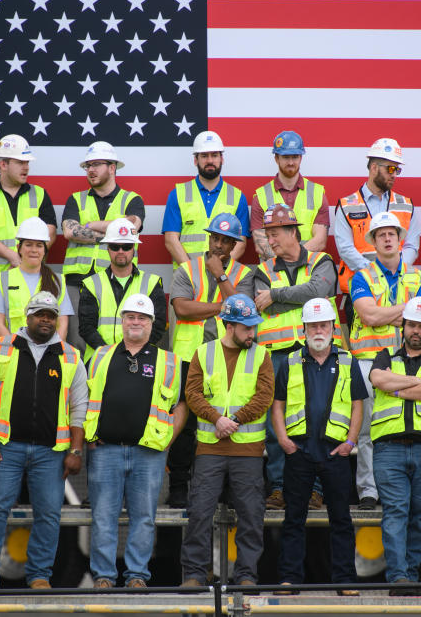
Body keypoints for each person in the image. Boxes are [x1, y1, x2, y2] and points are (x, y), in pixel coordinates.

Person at [0, 291, 88, 590]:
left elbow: (80, 409)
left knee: (48, 513)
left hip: (51, 453)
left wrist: (75, 449)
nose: (46, 320)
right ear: (28, 317)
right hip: (4, 448)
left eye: (51, 315)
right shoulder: (0, 349)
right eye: (40, 315)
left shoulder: (71, 356)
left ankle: (39, 576)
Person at [84, 294, 186, 588]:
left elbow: (181, 405)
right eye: (130, 317)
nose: (136, 322)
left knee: (144, 518)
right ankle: (103, 576)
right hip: (105, 451)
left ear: (152, 324)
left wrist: (169, 437)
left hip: (148, 454)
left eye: (142, 318)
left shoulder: (168, 361)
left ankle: (137, 576)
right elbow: (81, 398)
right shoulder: (100, 356)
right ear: (122, 321)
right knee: (103, 517)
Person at [270, 298, 364, 595]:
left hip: (335, 453)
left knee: (341, 520)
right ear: (304, 328)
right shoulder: (291, 361)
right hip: (299, 452)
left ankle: (346, 581)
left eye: (324, 324)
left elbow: (358, 404)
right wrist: (283, 439)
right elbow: (278, 403)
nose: (319, 330)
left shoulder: (348, 361)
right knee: (293, 519)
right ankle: (289, 579)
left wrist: (351, 441)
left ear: (333, 328)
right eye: (313, 325)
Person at [180, 294, 273, 587]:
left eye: (254, 327)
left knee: (251, 517)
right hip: (210, 448)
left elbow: (265, 396)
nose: (252, 333)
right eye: (247, 328)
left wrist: (234, 421)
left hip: (248, 451)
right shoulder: (203, 353)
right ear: (229, 326)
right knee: (200, 514)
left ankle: (246, 576)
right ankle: (195, 575)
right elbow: (192, 393)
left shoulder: (262, 355)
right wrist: (216, 419)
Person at [253, 204, 339, 510]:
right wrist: (300, 296)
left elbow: (318, 291)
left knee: (315, 421)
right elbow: (263, 306)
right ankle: (278, 486)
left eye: (275, 234)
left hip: (316, 354)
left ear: (293, 232)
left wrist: (277, 295)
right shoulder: (262, 270)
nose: (270, 241)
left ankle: (314, 489)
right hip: (274, 357)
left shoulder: (322, 260)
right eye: (268, 234)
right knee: (275, 427)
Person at [169, 213, 253, 507]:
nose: (219, 245)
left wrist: (220, 275)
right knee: (185, 424)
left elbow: (241, 311)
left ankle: (225, 490)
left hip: (226, 357)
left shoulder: (244, 273)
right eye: (215, 238)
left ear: (234, 245)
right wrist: (222, 306)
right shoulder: (187, 269)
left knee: (225, 421)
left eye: (226, 241)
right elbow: (182, 309)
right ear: (208, 238)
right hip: (188, 357)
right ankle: (179, 487)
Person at [368, 296, 421, 596]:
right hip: (389, 448)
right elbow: (379, 380)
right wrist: (416, 383)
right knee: (395, 511)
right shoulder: (384, 356)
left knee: (420, 514)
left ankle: (411, 578)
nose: (416, 331)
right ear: (403, 326)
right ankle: (399, 578)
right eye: (412, 324)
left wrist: (399, 387)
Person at [348, 212, 421, 510]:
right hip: (369, 362)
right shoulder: (362, 276)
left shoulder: (419, 276)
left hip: (408, 362)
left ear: (400, 240)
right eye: (380, 234)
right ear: (372, 241)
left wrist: (394, 313)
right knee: (369, 430)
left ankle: (399, 491)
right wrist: (406, 313)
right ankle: (368, 491)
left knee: (403, 428)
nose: (386, 238)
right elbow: (368, 316)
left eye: (391, 234)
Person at [0, 134, 58, 360]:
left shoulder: (40, 194)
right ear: (3, 164)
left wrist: (23, 262)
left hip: (31, 281)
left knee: (36, 341)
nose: (26, 167)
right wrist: (14, 257)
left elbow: (50, 233)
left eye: (27, 162)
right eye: (20, 162)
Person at [62, 141, 145, 352]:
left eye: (96, 164)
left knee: (115, 339)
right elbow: (70, 231)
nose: (90, 170)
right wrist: (115, 232)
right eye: (87, 165)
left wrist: (90, 226)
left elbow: (131, 226)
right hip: (77, 283)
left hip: (117, 281)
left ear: (112, 167)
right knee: (76, 345)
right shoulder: (75, 199)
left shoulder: (132, 199)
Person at [335, 137, 421, 294]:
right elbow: (345, 248)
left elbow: (412, 246)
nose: (394, 174)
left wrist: (395, 271)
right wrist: (375, 273)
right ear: (374, 167)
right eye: (390, 169)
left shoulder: (406, 205)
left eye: (397, 170)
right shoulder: (346, 205)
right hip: (361, 288)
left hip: (399, 286)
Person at [78, 218, 166, 362]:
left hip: (139, 358)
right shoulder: (91, 283)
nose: (120, 251)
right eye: (115, 246)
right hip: (100, 359)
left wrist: (133, 352)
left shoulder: (152, 282)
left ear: (134, 248)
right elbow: (86, 328)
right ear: (107, 248)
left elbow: (158, 325)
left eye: (126, 246)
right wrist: (109, 354)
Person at [163, 131, 250, 267]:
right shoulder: (177, 194)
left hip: (223, 278)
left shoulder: (238, 197)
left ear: (222, 159)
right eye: (204, 155)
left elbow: (241, 243)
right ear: (195, 160)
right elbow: (171, 240)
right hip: (187, 281)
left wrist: (220, 269)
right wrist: (193, 273)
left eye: (214, 155)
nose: (210, 160)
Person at [0, 217, 72, 340]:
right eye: (28, 245)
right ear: (19, 248)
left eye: (39, 246)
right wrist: (16, 349)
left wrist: (51, 350)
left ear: (44, 250)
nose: (33, 250)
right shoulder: (4, 279)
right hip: (15, 351)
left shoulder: (58, 281)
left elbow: (62, 324)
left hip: (48, 353)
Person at [250, 131, 329, 261]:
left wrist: (294, 259)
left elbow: (320, 241)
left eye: (295, 157)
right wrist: (286, 262)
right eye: (286, 157)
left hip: (307, 271)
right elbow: (261, 244)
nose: (291, 162)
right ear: (276, 158)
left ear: (301, 158)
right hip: (273, 274)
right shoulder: (261, 196)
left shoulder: (317, 193)